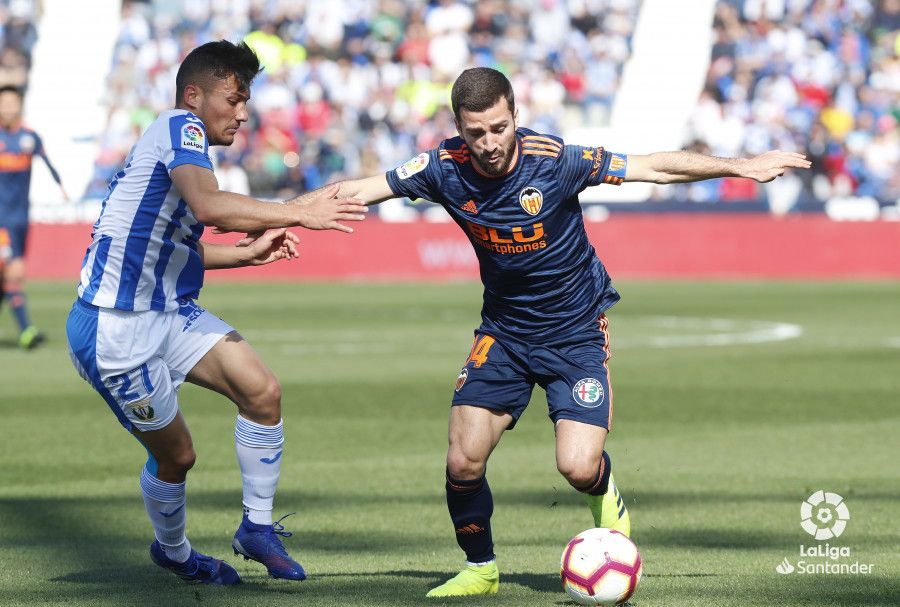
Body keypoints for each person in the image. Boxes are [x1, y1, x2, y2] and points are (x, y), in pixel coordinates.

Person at [329, 67, 810, 598]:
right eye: (475, 133)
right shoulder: (442, 167)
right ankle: (481, 568)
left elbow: (652, 168)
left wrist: (740, 167)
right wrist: (278, 214)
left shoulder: (556, 160)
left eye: (497, 128)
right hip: (505, 333)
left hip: (576, 332)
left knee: (577, 467)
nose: (488, 144)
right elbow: (362, 189)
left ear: (515, 115)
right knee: (462, 459)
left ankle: (606, 500)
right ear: (458, 128)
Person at [65, 41, 367, 586]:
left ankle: (256, 527)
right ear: (194, 95)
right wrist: (301, 212)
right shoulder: (182, 127)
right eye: (235, 98)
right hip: (115, 329)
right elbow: (209, 206)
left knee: (262, 392)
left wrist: (247, 254)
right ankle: (175, 552)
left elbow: (171, 246)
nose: (244, 112)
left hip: (165, 309)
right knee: (178, 458)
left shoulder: (180, 151)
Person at [0, 85, 68, 348]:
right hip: (1, 220)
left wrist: (62, 188)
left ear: (19, 105)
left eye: (11, 102)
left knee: (8, 277)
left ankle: (26, 329)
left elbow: (49, 164)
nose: (7, 108)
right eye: (3, 103)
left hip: (20, 219)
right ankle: (27, 330)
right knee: (13, 272)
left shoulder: (30, 138)